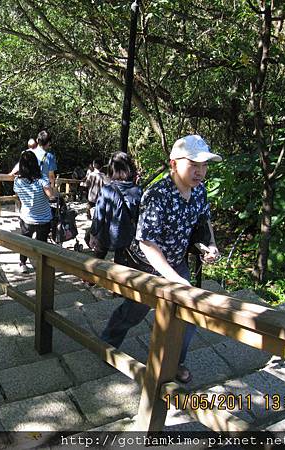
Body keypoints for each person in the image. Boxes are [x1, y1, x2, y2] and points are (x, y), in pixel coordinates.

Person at [100, 135, 221, 384]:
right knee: (133, 312)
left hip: (177, 262)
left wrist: (210, 246)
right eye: (194, 165)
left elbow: (203, 220)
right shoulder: (158, 194)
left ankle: (173, 363)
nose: (200, 172)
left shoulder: (200, 191)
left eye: (204, 165)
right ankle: (106, 344)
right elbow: (146, 241)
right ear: (174, 164)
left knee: (187, 316)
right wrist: (173, 278)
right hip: (146, 265)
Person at [89, 152, 142, 262]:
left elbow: (98, 216)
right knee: (121, 270)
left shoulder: (106, 190)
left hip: (105, 235)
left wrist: (93, 234)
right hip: (126, 238)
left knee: (97, 264)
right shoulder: (137, 191)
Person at [13, 150, 56, 273]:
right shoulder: (42, 179)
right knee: (42, 243)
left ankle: (23, 263)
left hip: (27, 217)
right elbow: (51, 196)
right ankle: (41, 264)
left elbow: (19, 195)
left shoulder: (17, 181)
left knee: (25, 241)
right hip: (43, 218)